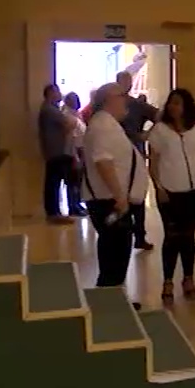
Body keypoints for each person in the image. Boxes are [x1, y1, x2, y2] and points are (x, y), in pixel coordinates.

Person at [82, 82, 151, 308]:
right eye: (123, 96)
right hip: (108, 201)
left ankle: (113, 299)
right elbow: (103, 162)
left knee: (117, 252)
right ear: (109, 99)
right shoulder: (103, 125)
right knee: (114, 253)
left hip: (112, 200)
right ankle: (108, 302)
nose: (127, 100)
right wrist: (119, 196)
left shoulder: (107, 123)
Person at [147, 88, 195, 305]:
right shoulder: (160, 130)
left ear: (186, 106)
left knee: (188, 236)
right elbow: (154, 161)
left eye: (177, 103)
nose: (173, 107)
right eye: (171, 103)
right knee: (172, 236)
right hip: (169, 191)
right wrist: (158, 186)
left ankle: (188, 278)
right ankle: (167, 281)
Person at [117, 71, 159, 251]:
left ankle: (140, 236)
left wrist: (146, 135)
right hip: (117, 154)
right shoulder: (110, 105)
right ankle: (123, 233)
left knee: (138, 195)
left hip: (136, 153)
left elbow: (159, 116)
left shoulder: (137, 105)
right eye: (124, 81)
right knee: (120, 193)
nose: (127, 84)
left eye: (129, 81)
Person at [38, 84, 76, 224]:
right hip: (55, 151)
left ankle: (54, 212)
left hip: (54, 151)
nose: (60, 94)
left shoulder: (51, 109)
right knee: (53, 182)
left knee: (55, 181)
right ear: (50, 94)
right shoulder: (50, 110)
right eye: (57, 91)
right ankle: (53, 213)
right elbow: (69, 124)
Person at [61, 91, 88, 217]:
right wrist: (75, 157)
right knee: (72, 182)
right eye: (73, 100)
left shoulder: (76, 115)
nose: (76, 102)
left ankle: (77, 204)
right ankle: (73, 206)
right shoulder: (68, 117)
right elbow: (71, 139)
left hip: (80, 152)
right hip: (73, 153)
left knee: (77, 181)